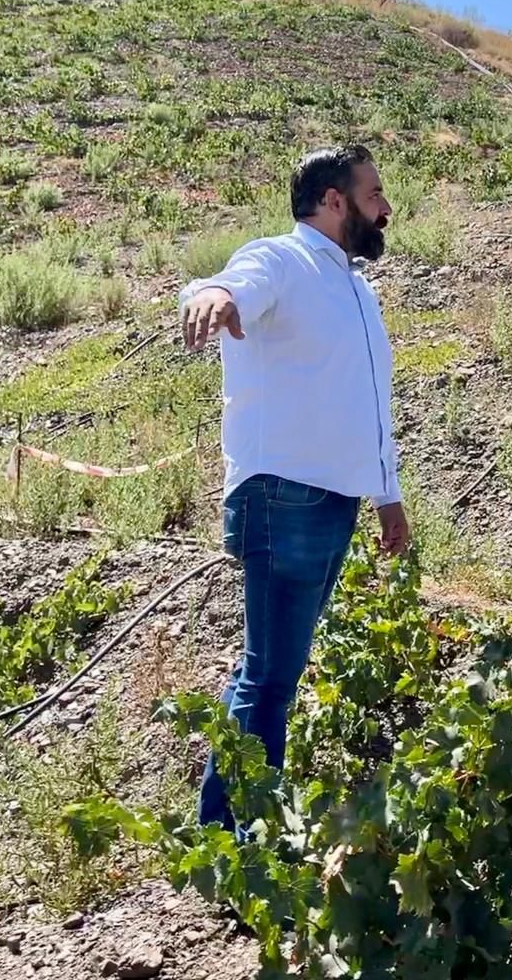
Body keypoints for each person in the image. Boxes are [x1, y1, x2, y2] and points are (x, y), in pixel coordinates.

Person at [180, 144, 411, 828]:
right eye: (374, 194)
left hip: (331, 500)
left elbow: (369, 400)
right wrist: (214, 296)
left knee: (272, 673)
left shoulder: (356, 289)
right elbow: (231, 283)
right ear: (334, 201)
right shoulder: (281, 257)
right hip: (284, 495)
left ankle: (225, 832)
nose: (385, 208)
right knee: (271, 677)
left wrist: (386, 493)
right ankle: (239, 838)